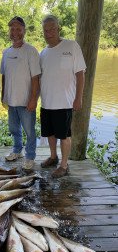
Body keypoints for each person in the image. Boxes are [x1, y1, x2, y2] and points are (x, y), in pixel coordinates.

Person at [40, 15, 86, 178]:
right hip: (46, 102)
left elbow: (80, 74)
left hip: (65, 102)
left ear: (58, 28)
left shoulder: (71, 46)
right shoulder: (43, 53)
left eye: (52, 28)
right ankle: (53, 157)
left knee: (64, 135)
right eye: (46, 30)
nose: (49, 32)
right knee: (50, 134)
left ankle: (64, 165)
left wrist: (78, 98)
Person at [0, 16, 41, 170]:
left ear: (24, 30)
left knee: (30, 131)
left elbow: (36, 78)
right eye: (12, 29)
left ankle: (30, 156)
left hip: (26, 101)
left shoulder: (31, 51)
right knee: (13, 128)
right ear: (9, 32)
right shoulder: (6, 52)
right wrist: (3, 96)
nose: (15, 32)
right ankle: (17, 151)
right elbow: (4, 76)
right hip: (11, 100)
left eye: (18, 29)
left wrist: (33, 99)